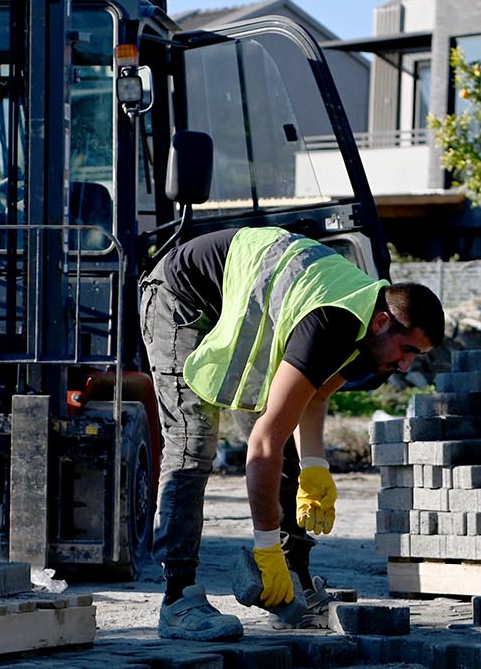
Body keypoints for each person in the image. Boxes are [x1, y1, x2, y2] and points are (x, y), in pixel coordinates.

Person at [140, 225, 443, 640]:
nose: (407, 366)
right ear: (382, 322)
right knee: (193, 442)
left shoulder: (366, 338)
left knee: (283, 438)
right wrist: (264, 547)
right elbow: (263, 444)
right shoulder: (332, 323)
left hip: (242, 301)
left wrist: (315, 470)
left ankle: (292, 583)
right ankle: (178, 599)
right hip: (182, 294)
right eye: (407, 350)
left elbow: (312, 399)